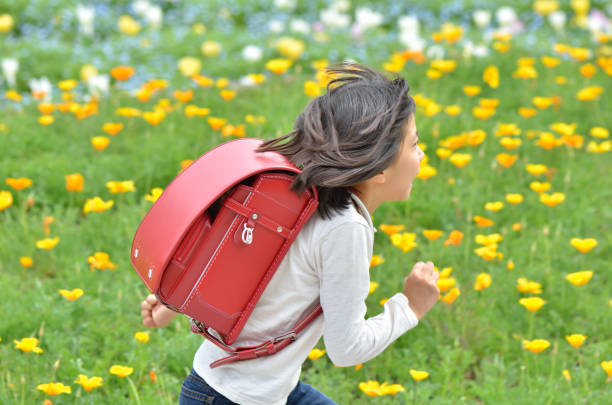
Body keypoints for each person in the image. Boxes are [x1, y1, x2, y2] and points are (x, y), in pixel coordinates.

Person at [140, 62, 440, 404]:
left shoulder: (296, 190)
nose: (421, 155)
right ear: (380, 168)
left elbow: (240, 257)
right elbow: (346, 348)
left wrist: (176, 302)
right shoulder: (347, 228)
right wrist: (410, 307)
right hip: (235, 397)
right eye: (413, 145)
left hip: (236, 388)